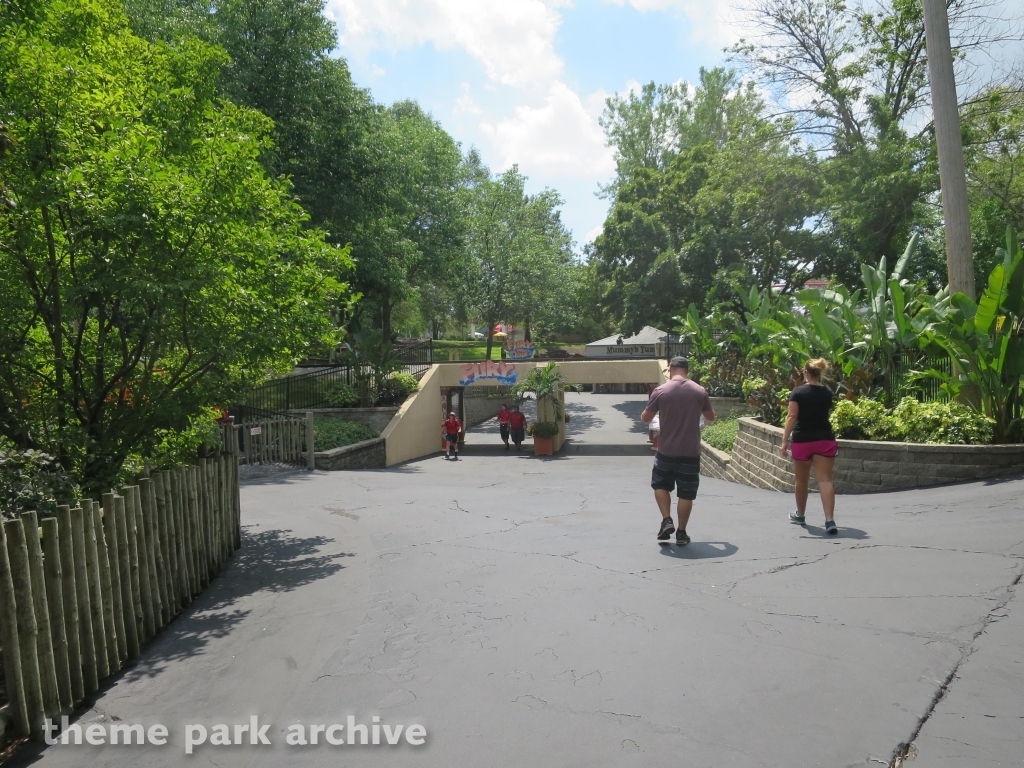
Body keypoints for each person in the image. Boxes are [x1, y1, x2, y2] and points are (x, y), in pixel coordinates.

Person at [641, 357, 716, 545]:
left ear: (671, 370)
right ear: (687, 370)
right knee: (686, 493)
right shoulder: (699, 391)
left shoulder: (661, 391)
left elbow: (645, 418)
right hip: (690, 451)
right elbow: (710, 417)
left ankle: (667, 520)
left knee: (660, 485)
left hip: (666, 449)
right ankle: (681, 533)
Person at [780, 358, 838, 533]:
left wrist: (784, 440)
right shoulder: (827, 392)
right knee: (825, 480)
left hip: (803, 440)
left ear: (805, 372)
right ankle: (829, 520)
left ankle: (801, 515)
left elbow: (792, 416)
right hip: (824, 439)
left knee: (801, 480)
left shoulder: (798, 392)